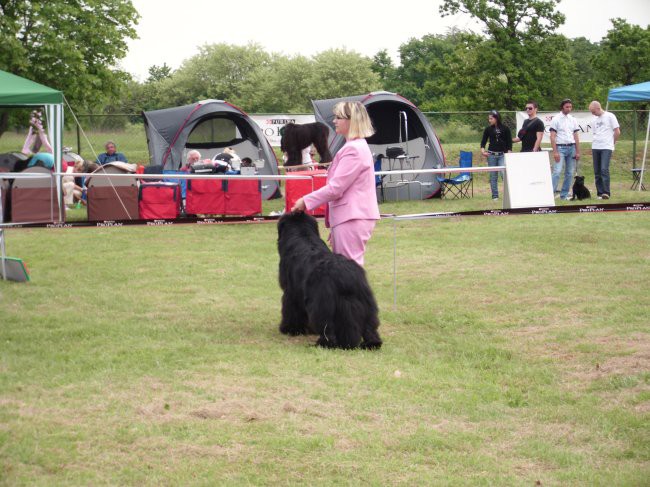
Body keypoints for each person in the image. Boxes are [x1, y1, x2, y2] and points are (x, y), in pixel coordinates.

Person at [291, 101, 380, 267]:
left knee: (348, 270)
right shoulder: (354, 147)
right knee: (345, 270)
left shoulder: (353, 149)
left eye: (338, 117)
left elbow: (336, 188)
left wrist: (305, 201)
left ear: (351, 120)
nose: (334, 121)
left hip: (353, 216)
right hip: (350, 217)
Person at [549, 99, 581, 200]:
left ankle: (564, 195)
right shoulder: (556, 119)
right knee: (557, 171)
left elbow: (576, 136)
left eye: (570, 107)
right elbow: (552, 136)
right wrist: (555, 152)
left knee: (570, 172)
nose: (569, 109)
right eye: (567, 107)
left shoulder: (573, 119)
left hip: (571, 147)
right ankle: (550, 194)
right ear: (562, 107)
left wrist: (578, 151)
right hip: (560, 147)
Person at [589, 100, 620, 200]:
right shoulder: (593, 120)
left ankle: (606, 192)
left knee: (604, 169)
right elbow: (594, 133)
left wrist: (612, 143)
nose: (593, 114)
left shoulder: (610, 116)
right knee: (597, 171)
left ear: (598, 108)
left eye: (593, 111)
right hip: (595, 146)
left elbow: (617, 131)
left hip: (606, 147)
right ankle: (600, 193)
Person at [480, 110, 512, 200]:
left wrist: (509, 151)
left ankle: (508, 195)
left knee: (504, 174)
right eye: (489, 119)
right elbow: (483, 142)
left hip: (502, 155)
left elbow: (509, 142)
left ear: (496, 118)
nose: (489, 120)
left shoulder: (505, 128)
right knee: (493, 176)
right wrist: (483, 151)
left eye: (491, 118)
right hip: (491, 155)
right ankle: (495, 196)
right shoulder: (488, 129)